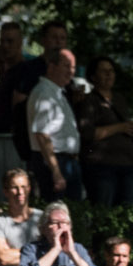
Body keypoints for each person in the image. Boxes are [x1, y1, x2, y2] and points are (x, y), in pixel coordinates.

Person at [77, 56, 133, 207]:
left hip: (126, 164)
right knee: (103, 211)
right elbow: (87, 133)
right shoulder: (88, 101)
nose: (109, 75)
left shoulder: (119, 99)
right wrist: (120, 127)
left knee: (130, 212)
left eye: (111, 71)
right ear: (93, 77)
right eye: (104, 71)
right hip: (102, 167)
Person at [27, 49, 82, 199]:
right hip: (55, 162)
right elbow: (42, 135)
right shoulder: (44, 93)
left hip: (67, 161)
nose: (71, 72)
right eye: (66, 66)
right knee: (56, 213)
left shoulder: (58, 92)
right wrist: (56, 172)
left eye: (73, 67)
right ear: (51, 66)